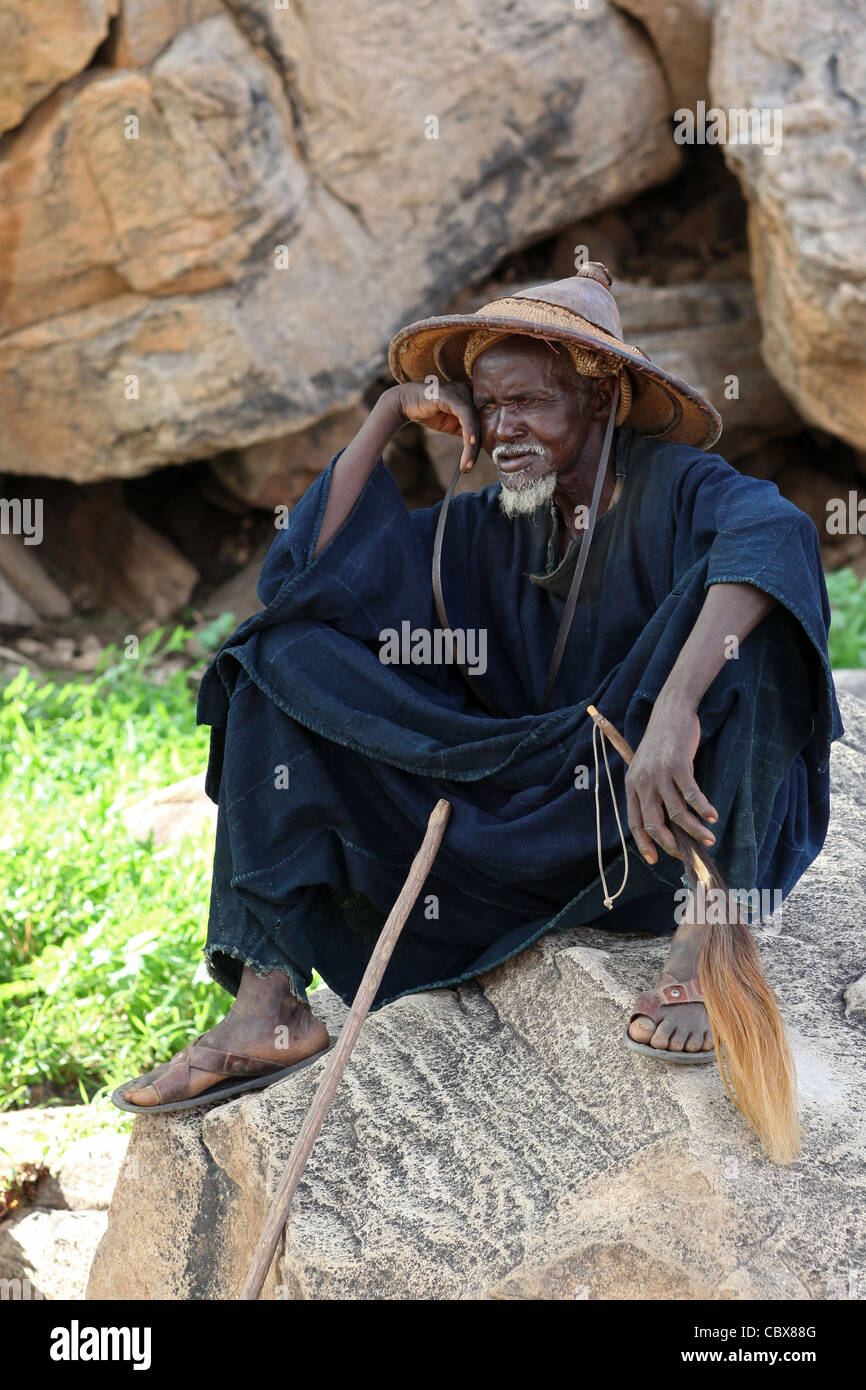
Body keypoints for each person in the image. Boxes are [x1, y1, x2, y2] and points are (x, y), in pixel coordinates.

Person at [117, 263, 843, 1111]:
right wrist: (390, 412)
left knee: (749, 634)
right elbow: (304, 580)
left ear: (600, 399)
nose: (502, 428)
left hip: (645, 829)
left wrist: (675, 708)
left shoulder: (677, 488)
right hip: (505, 825)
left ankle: (713, 940)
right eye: (490, 406)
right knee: (271, 660)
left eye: (528, 402)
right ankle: (269, 1002)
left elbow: (778, 534)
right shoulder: (483, 523)